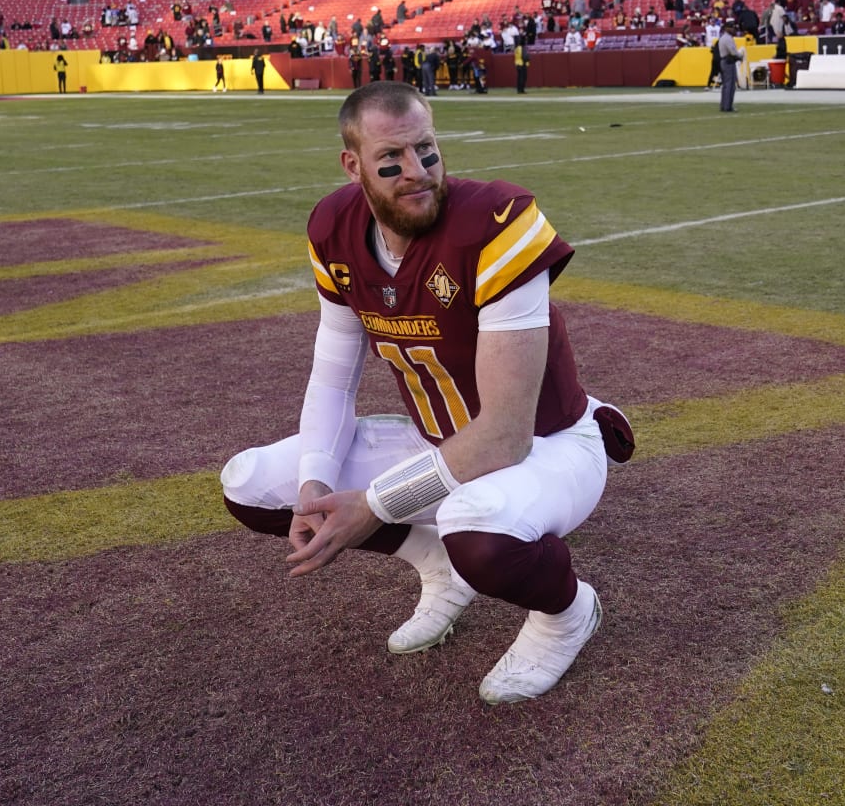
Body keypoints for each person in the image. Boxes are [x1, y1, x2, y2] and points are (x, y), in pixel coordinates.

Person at [219, 82, 633, 705]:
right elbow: (333, 377)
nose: (417, 173)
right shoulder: (335, 229)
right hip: (432, 437)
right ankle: (436, 563)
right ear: (353, 165)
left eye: (428, 151)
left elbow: (505, 435)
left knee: (477, 526)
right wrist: (314, 489)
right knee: (252, 485)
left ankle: (568, 611)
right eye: (393, 160)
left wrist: (376, 505)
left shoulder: (495, 222)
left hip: (543, 445)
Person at [716, 24, 741, 112]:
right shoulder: (728, 39)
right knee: (730, 85)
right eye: (733, 28)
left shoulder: (723, 38)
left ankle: (724, 105)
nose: (734, 30)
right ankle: (728, 106)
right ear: (727, 28)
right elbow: (733, 52)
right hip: (728, 62)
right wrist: (740, 56)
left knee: (726, 85)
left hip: (724, 61)